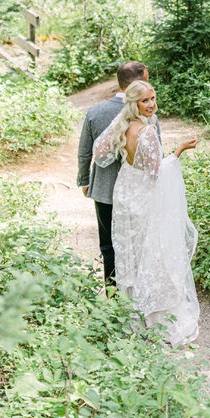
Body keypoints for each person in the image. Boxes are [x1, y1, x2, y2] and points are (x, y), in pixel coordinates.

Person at [91, 79, 199, 347]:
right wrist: (179, 151)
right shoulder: (147, 132)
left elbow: (100, 152)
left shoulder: (122, 124)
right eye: (145, 101)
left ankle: (132, 318)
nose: (151, 105)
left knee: (131, 255)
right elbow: (157, 173)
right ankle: (156, 321)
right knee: (152, 255)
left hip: (125, 194)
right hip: (144, 199)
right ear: (135, 103)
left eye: (152, 98)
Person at [76, 62, 154, 286]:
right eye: (146, 80)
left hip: (104, 190)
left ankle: (113, 298)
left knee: (109, 247)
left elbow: (84, 152)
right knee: (138, 244)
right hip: (139, 193)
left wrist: (84, 180)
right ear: (139, 82)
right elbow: (153, 154)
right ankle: (138, 295)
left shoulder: (95, 112)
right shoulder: (146, 112)